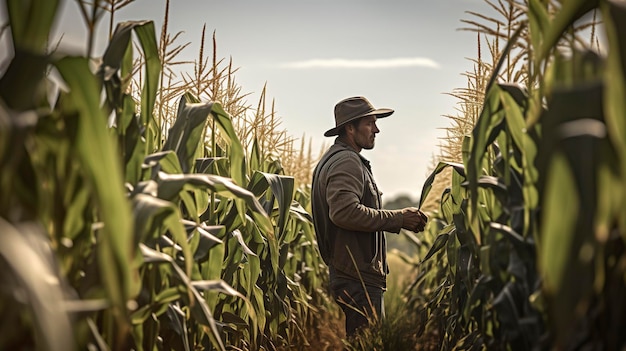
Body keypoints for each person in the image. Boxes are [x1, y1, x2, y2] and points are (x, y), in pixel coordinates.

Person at [311, 96, 428, 338]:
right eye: (370, 123)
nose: (376, 129)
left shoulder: (336, 159)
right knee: (368, 342)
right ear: (350, 128)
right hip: (357, 276)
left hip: (352, 273)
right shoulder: (346, 161)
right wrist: (399, 218)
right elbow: (344, 213)